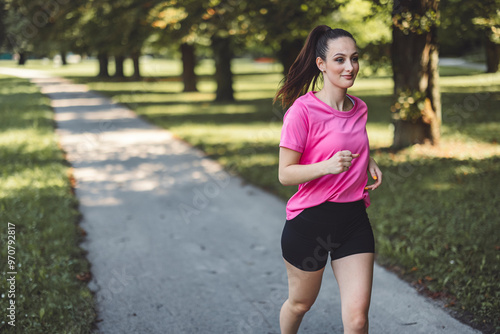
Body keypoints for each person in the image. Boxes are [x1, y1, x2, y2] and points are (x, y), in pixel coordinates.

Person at [274, 25, 383, 334]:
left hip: (352, 220)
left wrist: (368, 160)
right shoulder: (302, 111)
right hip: (311, 222)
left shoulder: (358, 107)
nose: (350, 67)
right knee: (300, 304)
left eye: (354, 58)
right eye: (339, 59)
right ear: (321, 64)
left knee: (358, 319)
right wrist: (327, 166)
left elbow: (347, 139)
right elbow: (285, 173)